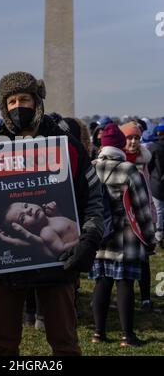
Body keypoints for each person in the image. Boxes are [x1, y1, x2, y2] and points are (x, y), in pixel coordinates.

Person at [0, 71, 104, 356]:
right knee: (2, 345)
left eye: (23, 99)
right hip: (4, 266)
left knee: (65, 343)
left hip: (58, 263)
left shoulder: (68, 146)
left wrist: (89, 238)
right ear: (3, 107)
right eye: (10, 101)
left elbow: (94, 199)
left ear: (37, 101)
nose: (17, 107)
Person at [89, 123, 155, 347]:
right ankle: (128, 336)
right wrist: (150, 238)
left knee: (101, 282)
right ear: (120, 145)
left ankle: (98, 333)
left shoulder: (91, 168)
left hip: (98, 234)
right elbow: (141, 209)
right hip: (126, 235)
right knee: (125, 283)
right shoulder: (128, 169)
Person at [120, 121, 157, 312]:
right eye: (129, 137)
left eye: (136, 138)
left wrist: (151, 213)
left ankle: (145, 298)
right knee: (121, 261)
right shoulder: (119, 160)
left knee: (144, 259)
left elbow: (148, 189)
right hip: (123, 217)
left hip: (142, 213)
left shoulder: (143, 160)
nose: (133, 141)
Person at [0, 201, 79, 257]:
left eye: (26, 205)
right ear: (24, 230)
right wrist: (82, 240)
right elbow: (62, 251)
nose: (29, 210)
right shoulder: (46, 232)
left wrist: (58, 213)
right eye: (22, 218)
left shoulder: (52, 217)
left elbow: (65, 230)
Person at [148, 124, 164, 249]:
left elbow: (149, 165)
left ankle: (158, 236)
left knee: (158, 210)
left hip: (156, 182)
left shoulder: (153, 147)